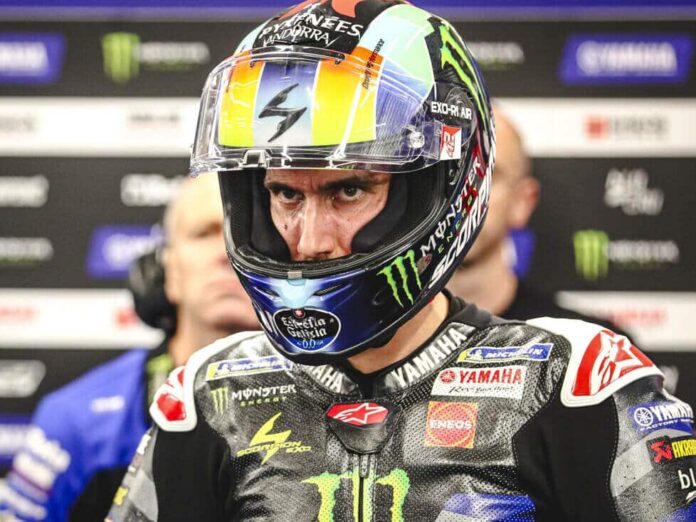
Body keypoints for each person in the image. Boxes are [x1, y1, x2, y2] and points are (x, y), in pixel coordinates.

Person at [108, 2, 696, 520]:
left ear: (437, 187)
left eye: (347, 191)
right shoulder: (211, 397)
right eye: (285, 194)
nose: (310, 240)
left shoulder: (571, 384)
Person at [0, 173, 258, 522]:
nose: (225, 253)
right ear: (165, 271)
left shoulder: (332, 405)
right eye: (204, 233)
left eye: (246, 232)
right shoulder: (75, 423)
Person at [446, 108, 628, 327]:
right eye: (447, 173)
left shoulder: (582, 344)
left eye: (483, 175)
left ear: (522, 202)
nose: (463, 193)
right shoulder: (401, 339)